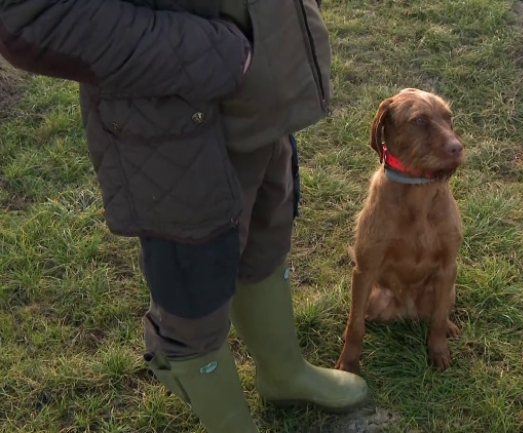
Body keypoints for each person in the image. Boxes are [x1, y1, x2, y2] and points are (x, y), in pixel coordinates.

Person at [0, 0, 370, 431]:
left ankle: (283, 373)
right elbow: (32, 15)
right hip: (172, 127)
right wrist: (221, 55)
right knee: (195, 297)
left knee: (266, 241)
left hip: (262, 101)